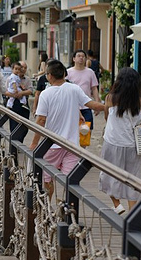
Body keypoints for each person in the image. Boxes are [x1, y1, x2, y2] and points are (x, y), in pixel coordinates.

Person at [29, 60, 105, 199]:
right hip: (72, 145)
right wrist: (109, 107)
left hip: (52, 145)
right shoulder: (74, 89)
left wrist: (34, 143)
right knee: (70, 181)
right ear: (64, 74)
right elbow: (92, 105)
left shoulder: (46, 94)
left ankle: (47, 204)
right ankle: (66, 207)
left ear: (49, 76)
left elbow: (41, 120)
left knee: (47, 179)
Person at [98, 67, 141, 214]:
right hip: (132, 145)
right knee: (132, 177)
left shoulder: (110, 99)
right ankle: (132, 210)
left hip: (112, 142)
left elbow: (107, 117)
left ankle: (117, 204)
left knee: (108, 174)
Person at [66, 49, 101, 131]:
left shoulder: (90, 72)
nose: (81, 58)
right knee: (72, 130)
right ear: (74, 59)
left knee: (87, 130)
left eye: (83, 56)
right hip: (72, 106)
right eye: (79, 56)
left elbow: (94, 88)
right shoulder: (68, 72)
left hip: (86, 106)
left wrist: (97, 104)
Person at [5, 61, 33, 141]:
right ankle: (14, 144)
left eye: (25, 68)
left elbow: (31, 90)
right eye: (21, 67)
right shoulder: (10, 78)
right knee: (14, 126)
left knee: (24, 127)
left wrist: (22, 93)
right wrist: (13, 95)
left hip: (24, 104)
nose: (23, 69)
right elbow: (5, 91)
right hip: (14, 103)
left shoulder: (27, 79)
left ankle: (20, 142)